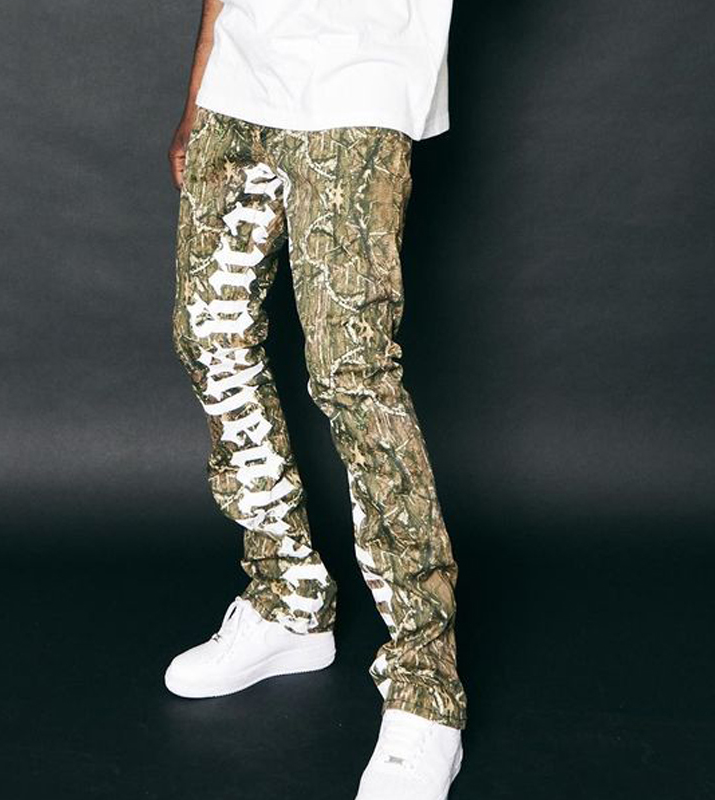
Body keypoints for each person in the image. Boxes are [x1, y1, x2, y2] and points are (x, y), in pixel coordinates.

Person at [163, 2, 467, 797]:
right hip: (238, 82)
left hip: (357, 85)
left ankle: (426, 690)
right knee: (211, 336)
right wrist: (199, 87)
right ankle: (289, 600)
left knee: (351, 373)